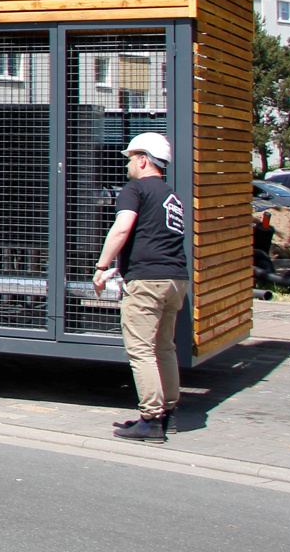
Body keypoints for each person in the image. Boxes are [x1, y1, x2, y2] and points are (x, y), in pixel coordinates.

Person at [92, 131, 188, 443]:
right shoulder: (170, 195)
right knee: (165, 347)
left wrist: (102, 266)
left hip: (148, 280)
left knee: (141, 349)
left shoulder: (135, 189)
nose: (128, 165)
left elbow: (122, 228)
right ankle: (168, 414)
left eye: (132, 159)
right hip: (176, 279)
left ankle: (151, 419)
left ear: (144, 160)